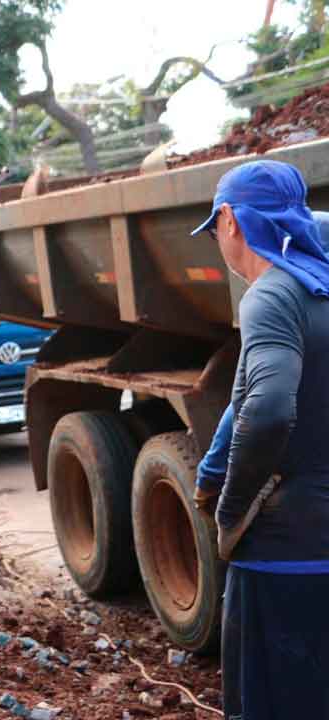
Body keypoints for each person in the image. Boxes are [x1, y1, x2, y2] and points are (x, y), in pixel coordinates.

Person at [190, 162, 329, 717]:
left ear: (229, 221)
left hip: (287, 556)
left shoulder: (272, 296)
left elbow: (269, 408)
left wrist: (231, 508)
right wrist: (211, 468)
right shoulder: (320, 288)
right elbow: (244, 398)